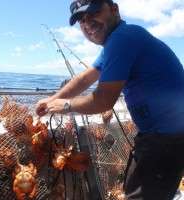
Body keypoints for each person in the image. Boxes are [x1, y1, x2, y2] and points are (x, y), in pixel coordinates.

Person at [36, 0, 184, 199]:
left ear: (114, 9)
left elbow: (103, 101)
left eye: (93, 13)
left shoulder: (123, 38)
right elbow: (86, 78)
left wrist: (64, 105)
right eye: (81, 20)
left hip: (166, 140)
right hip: (162, 136)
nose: (88, 23)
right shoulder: (117, 42)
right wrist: (52, 99)